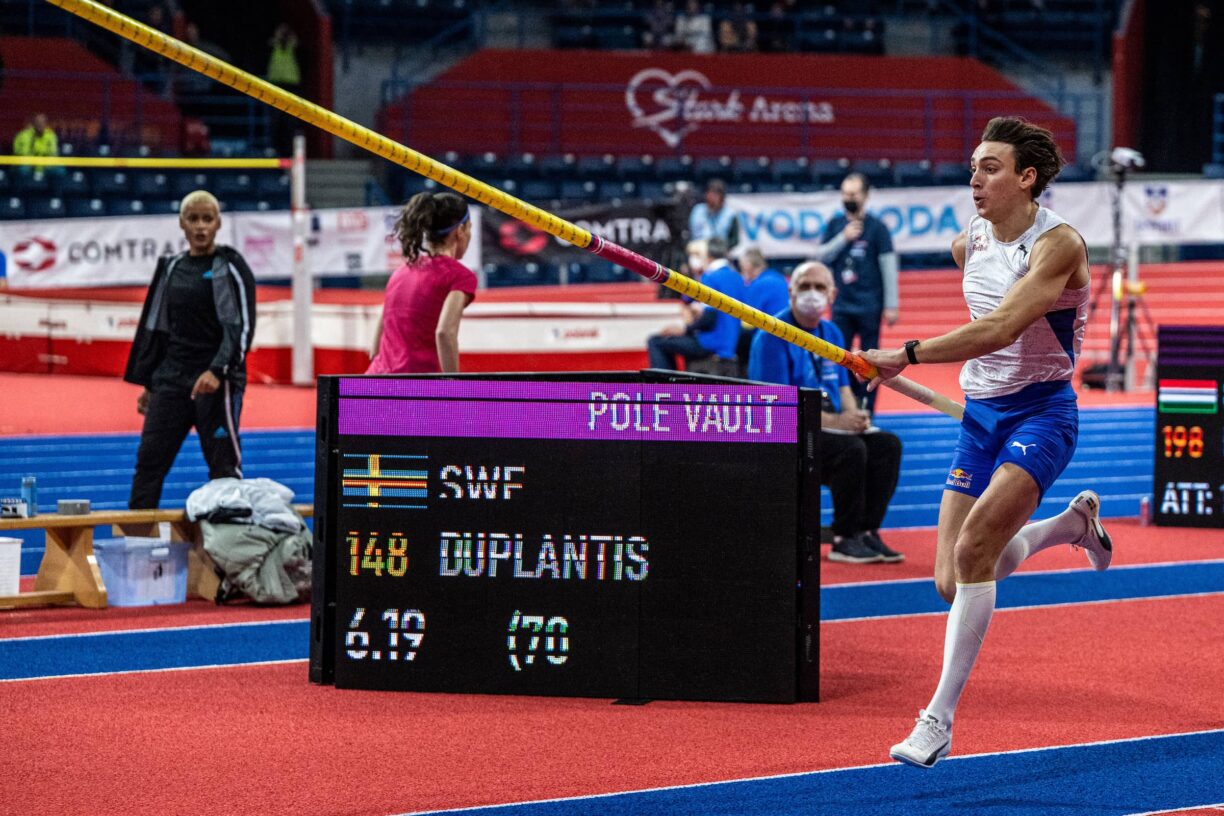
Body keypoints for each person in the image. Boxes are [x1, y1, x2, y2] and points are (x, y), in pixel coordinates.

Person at [861, 117, 1113, 768]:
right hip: (981, 416)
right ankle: (1071, 527)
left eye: (990, 167)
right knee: (954, 581)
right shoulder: (968, 240)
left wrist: (905, 354)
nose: (975, 177)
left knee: (976, 548)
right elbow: (983, 309)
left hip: (1042, 416)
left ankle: (936, 720)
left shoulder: (1056, 245)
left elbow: (1001, 326)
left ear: (1026, 179)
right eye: (974, 165)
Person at [748, 261, 904, 564]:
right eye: (805, 286)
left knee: (887, 445)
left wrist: (855, 418)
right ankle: (843, 538)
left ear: (832, 295)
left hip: (826, 425)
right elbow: (777, 409)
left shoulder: (831, 331)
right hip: (787, 434)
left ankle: (866, 531)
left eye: (820, 287)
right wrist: (840, 423)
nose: (812, 294)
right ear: (791, 292)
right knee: (851, 450)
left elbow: (843, 387)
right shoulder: (772, 336)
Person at [125, 191, 257, 509]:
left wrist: (218, 370)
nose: (200, 227)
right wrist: (150, 383)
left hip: (215, 380)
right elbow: (157, 327)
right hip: (172, 378)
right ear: (182, 224)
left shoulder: (229, 266)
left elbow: (241, 326)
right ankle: (138, 548)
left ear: (218, 224)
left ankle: (227, 553)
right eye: (194, 219)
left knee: (223, 470)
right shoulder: (171, 268)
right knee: (148, 463)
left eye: (207, 219)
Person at [813, 172, 898, 414]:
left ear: (865, 196)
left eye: (853, 194)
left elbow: (888, 267)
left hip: (870, 305)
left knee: (872, 361)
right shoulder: (835, 225)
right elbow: (821, 256)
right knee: (840, 358)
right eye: (845, 194)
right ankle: (845, 406)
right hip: (842, 306)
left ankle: (867, 408)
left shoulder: (878, 229)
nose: (848, 198)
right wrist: (843, 237)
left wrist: (891, 305)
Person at [368, 191, 477, 374]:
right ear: (460, 231)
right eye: (469, 229)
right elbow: (444, 333)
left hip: (372, 384)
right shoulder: (460, 276)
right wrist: (455, 387)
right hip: (415, 389)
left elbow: (374, 351)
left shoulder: (399, 273)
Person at [647, 237, 744, 370]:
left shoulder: (710, 278)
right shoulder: (737, 277)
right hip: (731, 342)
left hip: (711, 341)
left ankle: (665, 388)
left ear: (707, 256)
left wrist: (685, 329)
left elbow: (710, 318)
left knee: (656, 342)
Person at [735, 246, 789, 366]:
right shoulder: (779, 278)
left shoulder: (758, 285)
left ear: (747, 265)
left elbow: (747, 323)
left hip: (769, 340)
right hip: (788, 337)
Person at [688, 178, 740, 248]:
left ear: (722, 198)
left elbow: (735, 240)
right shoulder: (697, 210)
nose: (712, 199)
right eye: (710, 194)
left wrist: (720, 248)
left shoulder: (730, 214)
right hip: (699, 249)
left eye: (716, 196)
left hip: (720, 250)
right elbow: (691, 233)